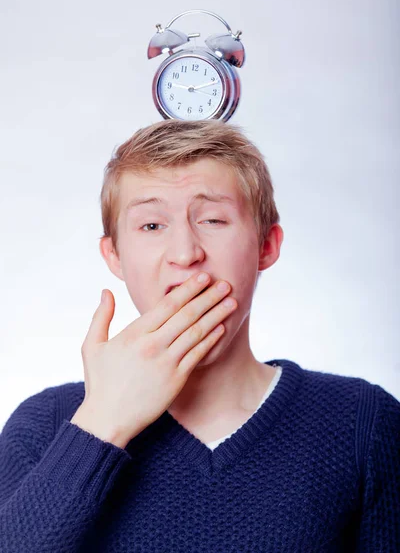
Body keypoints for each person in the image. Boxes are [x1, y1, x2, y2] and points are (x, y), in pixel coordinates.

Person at [0, 119, 399, 552]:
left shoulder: (364, 424)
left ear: (266, 246)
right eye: (151, 226)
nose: (186, 254)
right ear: (114, 255)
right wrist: (101, 423)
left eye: (212, 219)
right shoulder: (44, 426)